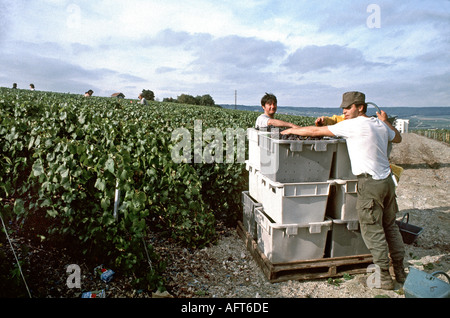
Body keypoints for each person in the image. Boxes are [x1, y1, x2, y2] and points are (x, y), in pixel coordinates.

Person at [281, 91, 406, 290]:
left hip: (370, 184)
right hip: (387, 182)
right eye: (343, 108)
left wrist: (289, 132)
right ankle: (400, 270)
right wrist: (385, 120)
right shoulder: (379, 124)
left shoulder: (353, 125)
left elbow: (315, 132)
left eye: (348, 108)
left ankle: (384, 276)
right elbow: (397, 138)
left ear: (360, 107)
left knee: (373, 229)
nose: (344, 111)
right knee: (390, 226)